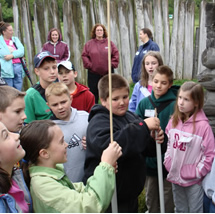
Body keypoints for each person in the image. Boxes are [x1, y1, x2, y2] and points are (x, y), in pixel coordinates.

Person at [83, 73, 167, 213]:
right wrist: (143, 127)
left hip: (129, 194)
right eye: (115, 99)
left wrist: (156, 139)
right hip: (109, 197)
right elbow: (113, 146)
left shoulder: (131, 117)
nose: (122, 102)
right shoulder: (98, 122)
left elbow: (145, 148)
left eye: (125, 97)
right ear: (103, 100)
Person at [20, 120, 122, 213]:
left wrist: (105, 171)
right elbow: (89, 207)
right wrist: (105, 165)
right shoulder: (43, 186)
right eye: (61, 142)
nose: (66, 144)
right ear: (44, 153)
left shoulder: (51, 176)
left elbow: (83, 190)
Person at [164, 81, 215, 213]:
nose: (181, 102)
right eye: (180, 97)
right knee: (180, 209)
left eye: (186, 99)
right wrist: (168, 162)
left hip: (193, 181)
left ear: (196, 103)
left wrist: (197, 172)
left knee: (195, 210)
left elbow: (209, 154)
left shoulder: (203, 127)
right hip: (175, 176)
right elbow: (169, 142)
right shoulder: (173, 121)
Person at [136, 65, 179, 213]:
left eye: (163, 83)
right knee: (151, 195)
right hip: (150, 160)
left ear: (170, 84)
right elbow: (137, 126)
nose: (158, 85)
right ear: (151, 81)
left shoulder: (175, 105)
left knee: (167, 196)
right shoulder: (144, 103)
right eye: (156, 81)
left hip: (168, 160)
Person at [45, 82, 89, 182]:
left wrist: (91, 143)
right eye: (55, 104)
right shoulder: (48, 129)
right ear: (48, 105)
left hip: (88, 179)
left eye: (63, 102)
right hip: (65, 183)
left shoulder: (86, 118)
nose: (60, 107)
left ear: (71, 99)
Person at [82, 23, 119, 104]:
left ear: (103, 32)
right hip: (93, 74)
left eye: (101, 30)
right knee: (94, 93)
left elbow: (115, 54)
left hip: (107, 73)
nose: (99, 32)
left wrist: (112, 64)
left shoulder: (109, 43)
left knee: (109, 91)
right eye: (97, 30)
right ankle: (94, 109)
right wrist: (89, 65)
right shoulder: (89, 44)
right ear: (95, 32)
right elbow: (84, 55)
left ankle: (109, 107)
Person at [24, 51, 58, 123]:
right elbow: (28, 125)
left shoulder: (60, 88)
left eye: (54, 67)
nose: (52, 72)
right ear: (37, 71)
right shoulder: (30, 96)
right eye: (46, 69)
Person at [0, 21, 25, 91]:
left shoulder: (15, 39)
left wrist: (12, 55)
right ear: (4, 32)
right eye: (10, 30)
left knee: (18, 90)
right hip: (6, 69)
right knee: (9, 90)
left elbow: (22, 51)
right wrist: (15, 51)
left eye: (12, 30)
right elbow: (3, 53)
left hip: (18, 67)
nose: (12, 32)